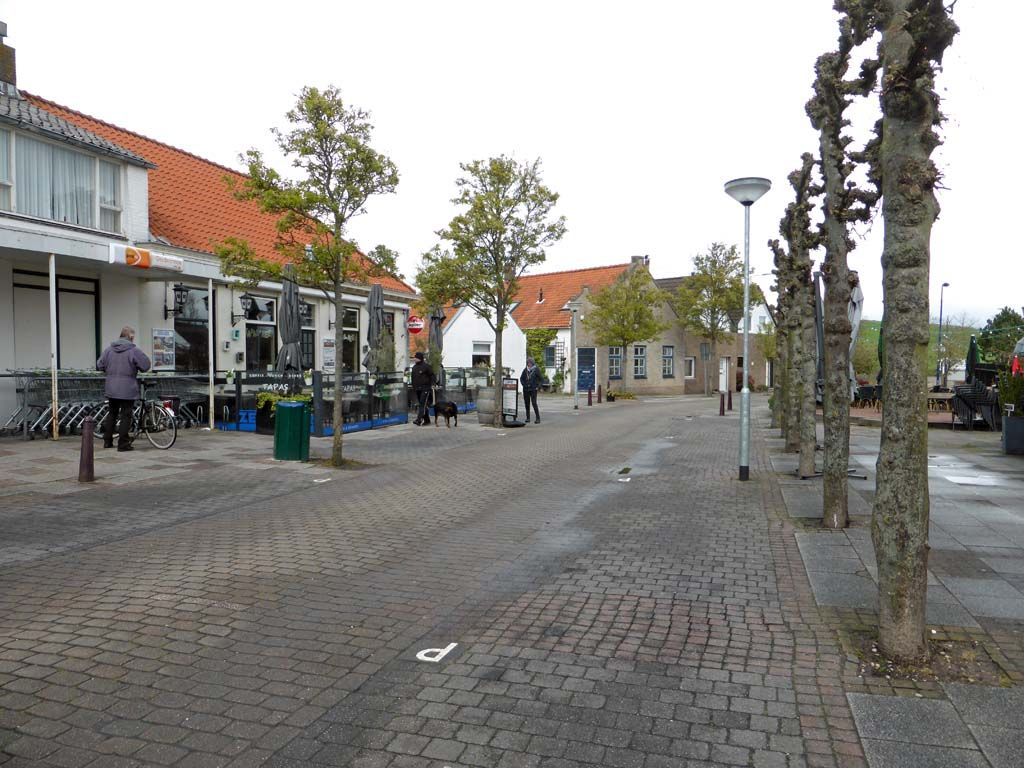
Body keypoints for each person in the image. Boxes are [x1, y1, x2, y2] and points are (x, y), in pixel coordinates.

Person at [97, 326, 151, 451]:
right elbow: (145, 366)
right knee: (126, 415)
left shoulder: (108, 350)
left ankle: (107, 441)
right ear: (130, 337)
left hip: (111, 387)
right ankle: (123, 444)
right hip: (127, 388)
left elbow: (99, 365)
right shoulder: (134, 351)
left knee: (112, 413)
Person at [410, 351, 436, 427]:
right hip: (417, 389)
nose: (414, 359)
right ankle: (427, 420)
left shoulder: (426, 366)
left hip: (425, 388)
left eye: (415, 358)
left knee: (422, 404)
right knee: (423, 405)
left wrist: (433, 384)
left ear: (419, 358)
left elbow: (432, 375)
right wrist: (413, 387)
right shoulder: (414, 367)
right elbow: (413, 378)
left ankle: (419, 420)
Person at [520, 357, 542, 424]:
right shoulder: (525, 370)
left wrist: (538, 387)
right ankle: (528, 418)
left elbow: (541, 379)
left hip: (533, 389)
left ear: (532, 363)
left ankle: (538, 418)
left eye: (530, 363)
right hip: (526, 390)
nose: (529, 364)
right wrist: (524, 385)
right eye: (528, 363)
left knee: (534, 403)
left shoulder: (536, 369)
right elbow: (521, 378)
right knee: (527, 404)